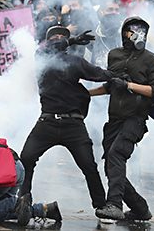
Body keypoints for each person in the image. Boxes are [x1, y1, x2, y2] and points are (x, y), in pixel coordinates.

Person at [18, 26, 113, 224]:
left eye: (63, 37)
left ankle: (101, 206)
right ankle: (23, 201)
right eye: (55, 37)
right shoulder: (42, 59)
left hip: (73, 125)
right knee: (26, 158)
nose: (59, 39)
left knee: (89, 166)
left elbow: (99, 74)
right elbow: (44, 50)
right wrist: (72, 39)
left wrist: (121, 76)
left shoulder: (75, 61)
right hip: (47, 121)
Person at [88, 17, 154, 221]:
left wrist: (130, 86)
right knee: (110, 166)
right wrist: (85, 94)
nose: (138, 34)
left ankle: (114, 205)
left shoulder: (151, 60)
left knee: (116, 155)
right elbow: (110, 86)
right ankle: (140, 208)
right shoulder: (114, 55)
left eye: (142, 30)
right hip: (114, 119)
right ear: (124, 33)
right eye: (133, 30)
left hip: (136, 119)